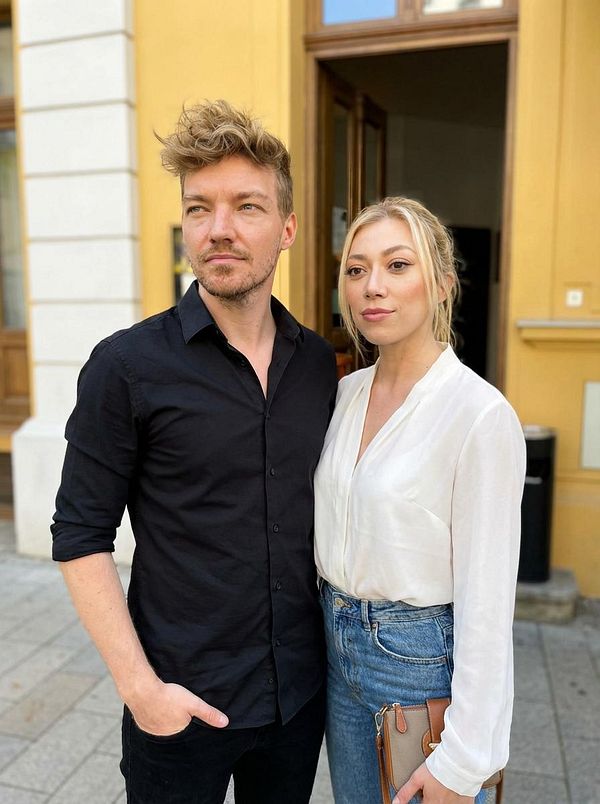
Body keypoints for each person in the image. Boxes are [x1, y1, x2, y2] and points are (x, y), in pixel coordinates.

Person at [51, 100, 338, 804]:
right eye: (200, 208)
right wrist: (140, 690)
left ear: (287, 227)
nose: (220, 230)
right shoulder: (125, 367)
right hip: (179, 705)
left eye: (247, 206)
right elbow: (80, 536)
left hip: (296, 701)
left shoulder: (318, 366)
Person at [314, 197, 525, 804]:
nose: (371, 287)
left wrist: (465, 759)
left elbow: (489, 606)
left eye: (397, 265)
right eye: (355, 270)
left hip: (417, 666)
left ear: (442, 284)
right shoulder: (342, 395)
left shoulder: (479, 415)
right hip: (335, 648)